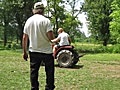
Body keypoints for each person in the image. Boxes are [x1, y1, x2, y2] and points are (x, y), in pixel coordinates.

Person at [22, 2, 55, 90]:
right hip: (46, 51)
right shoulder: (46, 21)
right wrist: (55, 42)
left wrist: (24, 52)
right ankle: (49, 88)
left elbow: (25, 37)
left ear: (34, 10)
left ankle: (34, 88)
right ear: (43, 10)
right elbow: (51, 38)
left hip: (34, 50)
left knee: (34, 72)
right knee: (49, 72)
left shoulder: (29, 21)